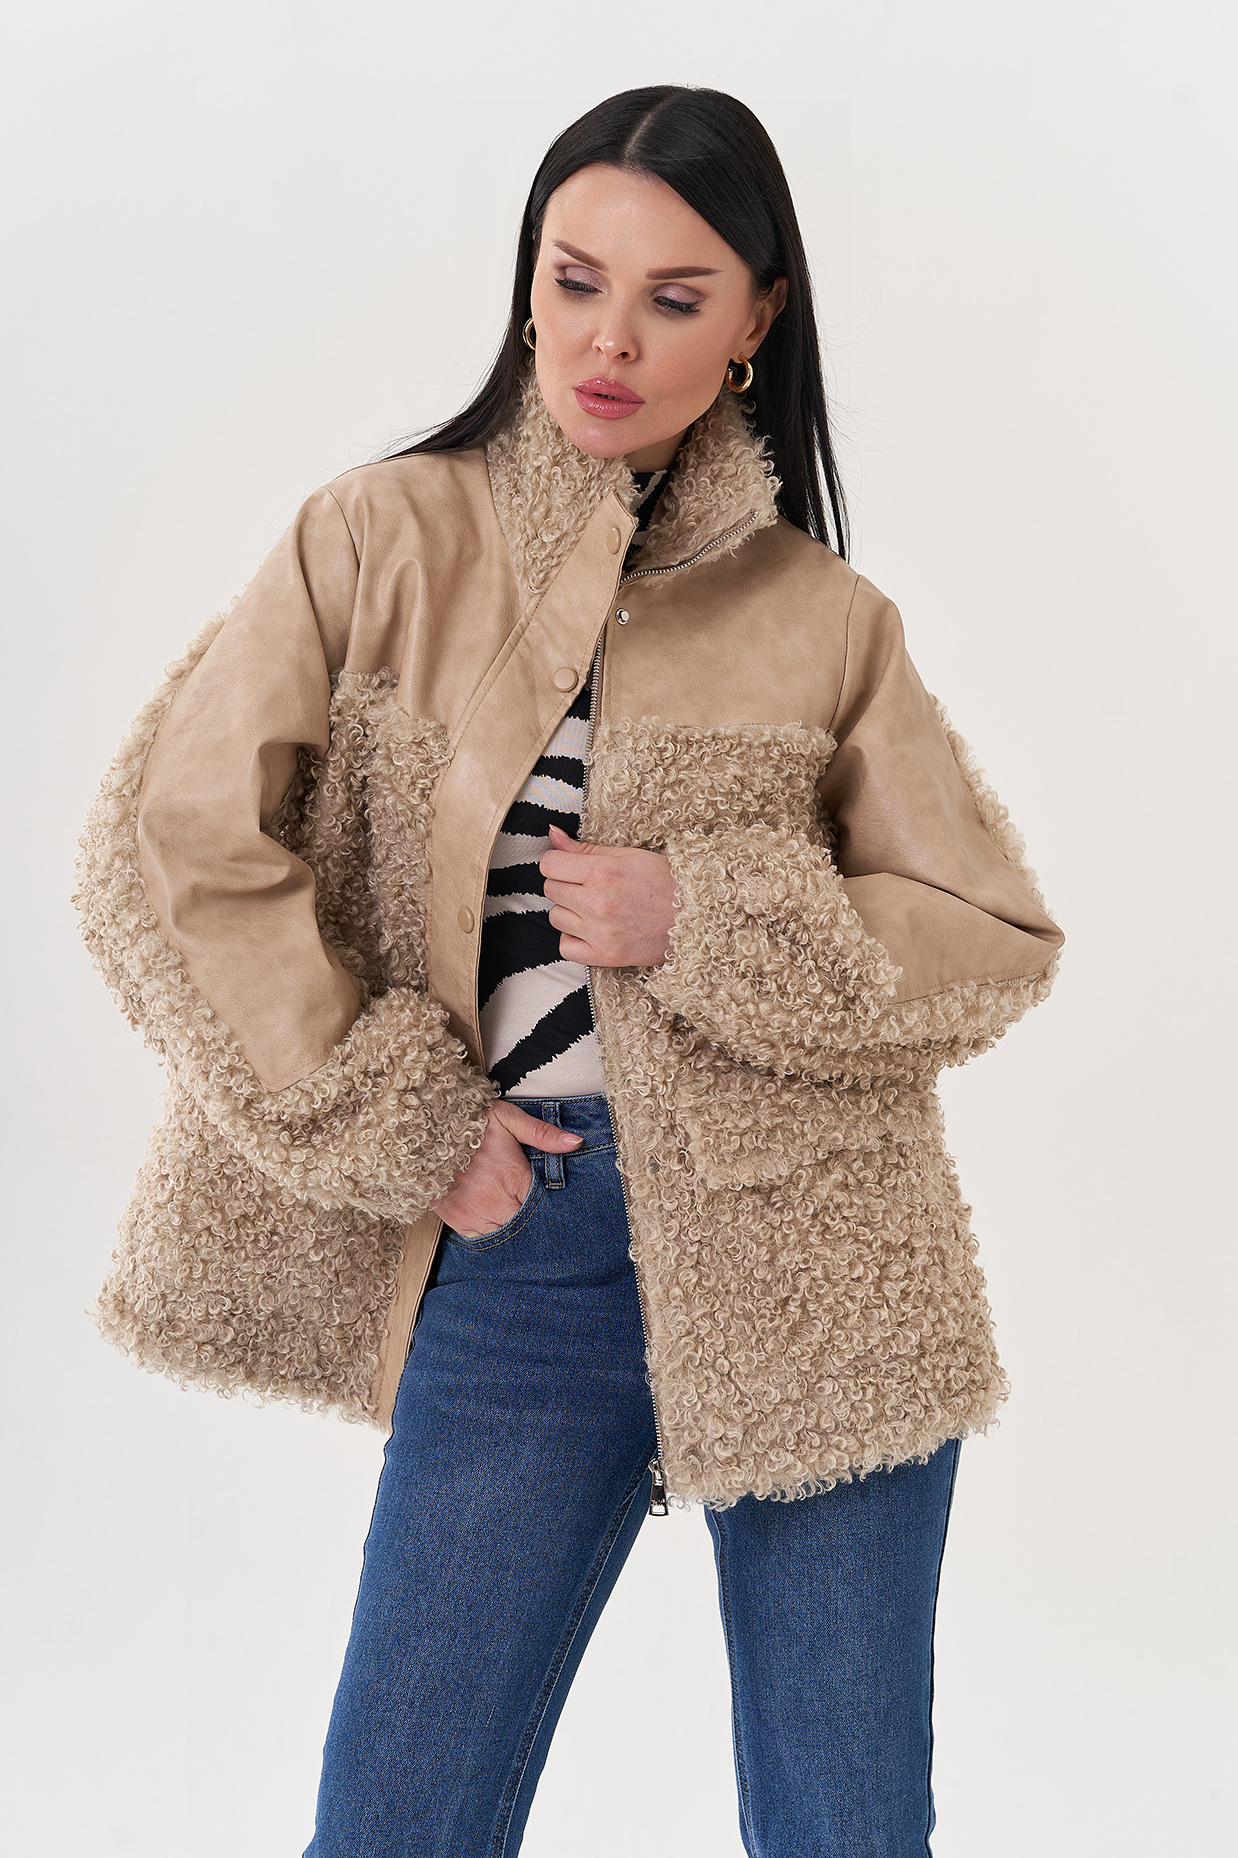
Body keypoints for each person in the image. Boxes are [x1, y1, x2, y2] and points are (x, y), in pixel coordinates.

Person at [75, 83, 1065, 1858]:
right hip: (522, 1245)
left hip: (821, 1261)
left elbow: (987, 933)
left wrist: (708, 915)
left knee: (847, 1831)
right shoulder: (380, 537)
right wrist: (403, 1122)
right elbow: (172, 850)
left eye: (674, 299)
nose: (609, 340)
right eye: (574, 278)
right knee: (396, 1822)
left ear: (756, 319)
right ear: (527, 278)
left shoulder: (825, 622)